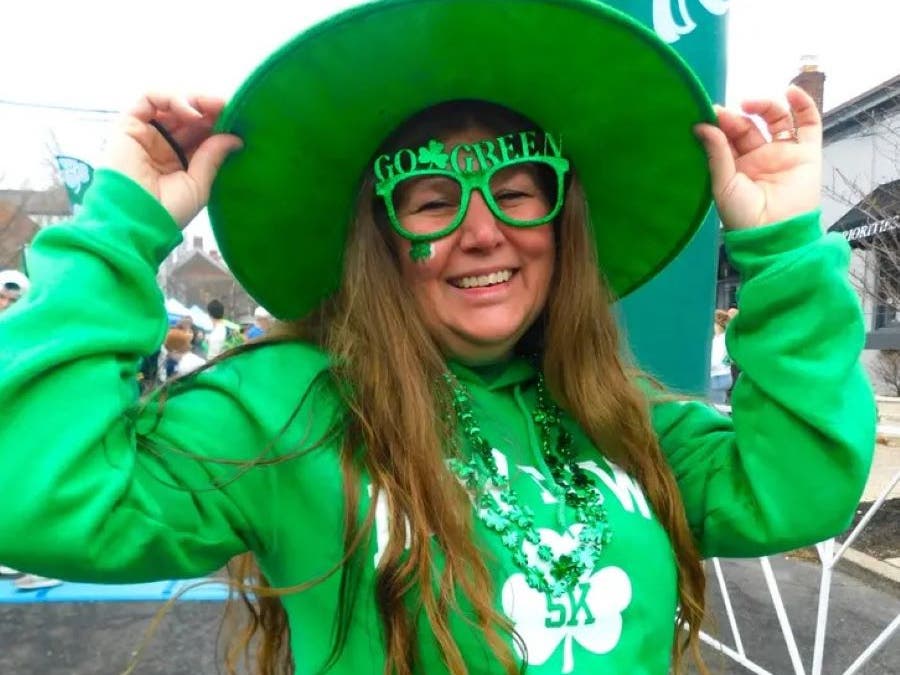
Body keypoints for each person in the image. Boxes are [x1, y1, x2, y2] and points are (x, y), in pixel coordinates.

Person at [0, 2, 875, 674]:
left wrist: (786, 249)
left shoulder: (619, 418)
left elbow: (796, 490)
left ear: (560, 223)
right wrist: (120, 226)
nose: (482, 229)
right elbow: (33, 496)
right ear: (381, 240)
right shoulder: (284, 405)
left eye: (517, 191)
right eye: (431, 199)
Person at [709, 309, 733, 405]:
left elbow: (714, 362)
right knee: (720, 405)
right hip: (726, 376)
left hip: (715, 378)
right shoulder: (727, 338)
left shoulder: (717, 340)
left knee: (716, 409)